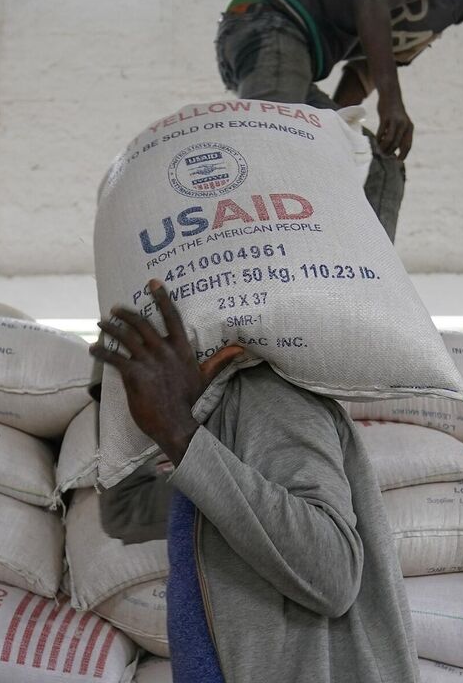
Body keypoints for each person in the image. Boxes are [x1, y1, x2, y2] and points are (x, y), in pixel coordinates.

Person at [89, 279, 415, 683]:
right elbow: (127, 514)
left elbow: (333, 573)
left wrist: (178, 432)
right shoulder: (208, 442)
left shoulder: (267, 395)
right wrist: (170, 427)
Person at [214, 0, 463, 240]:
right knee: (273, 149)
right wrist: (392, 102)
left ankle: (367, 280)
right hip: (270, 19)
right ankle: (235, 259)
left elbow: (362, 74)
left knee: (381, 169)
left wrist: (340, 135)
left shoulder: (422, 27)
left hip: (275, 48)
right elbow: (371, 1)